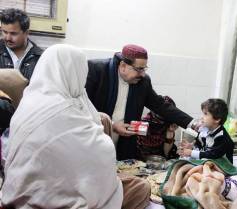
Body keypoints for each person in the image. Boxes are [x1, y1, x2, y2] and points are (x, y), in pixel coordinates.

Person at [2, 44, 150, 209]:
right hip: (52, 195)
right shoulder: (63, 109)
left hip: (17, 191)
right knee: (140, 187)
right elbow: (99, 153)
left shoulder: (28, 102)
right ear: (75, 72)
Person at [86, 44, 197, 160]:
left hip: (125, 142)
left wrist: (193, 123)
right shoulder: (96, 71)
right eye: (139, 69)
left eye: (144, 69)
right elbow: (84, 107)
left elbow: (160, 105)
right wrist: (112, 125)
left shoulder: (143, 81)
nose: (143, 74)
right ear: (123, 66)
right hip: (96, 138)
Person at [0, 8, 43, 132]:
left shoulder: (41, 57)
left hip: (29, 117)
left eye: (13, 33)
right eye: (4, 32)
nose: (7, 37)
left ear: (26, 32)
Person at [178, 98, 234, 163]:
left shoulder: (222, 137)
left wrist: (191, 153)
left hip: (223, 164)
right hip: (209, 161)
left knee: (193, 167)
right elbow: (201, 147)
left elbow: (212, 155)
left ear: (217, 119)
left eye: (205, 114)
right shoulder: (204, 131)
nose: (202, 117)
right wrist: (192, 147)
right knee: (184, 161)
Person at [136, 95, 179, 160]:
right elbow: (140, 150)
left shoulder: (168, 124)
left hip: (161, 160)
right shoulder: (143, 123)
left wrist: (170, 132)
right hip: (142, 161)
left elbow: (166, 153)